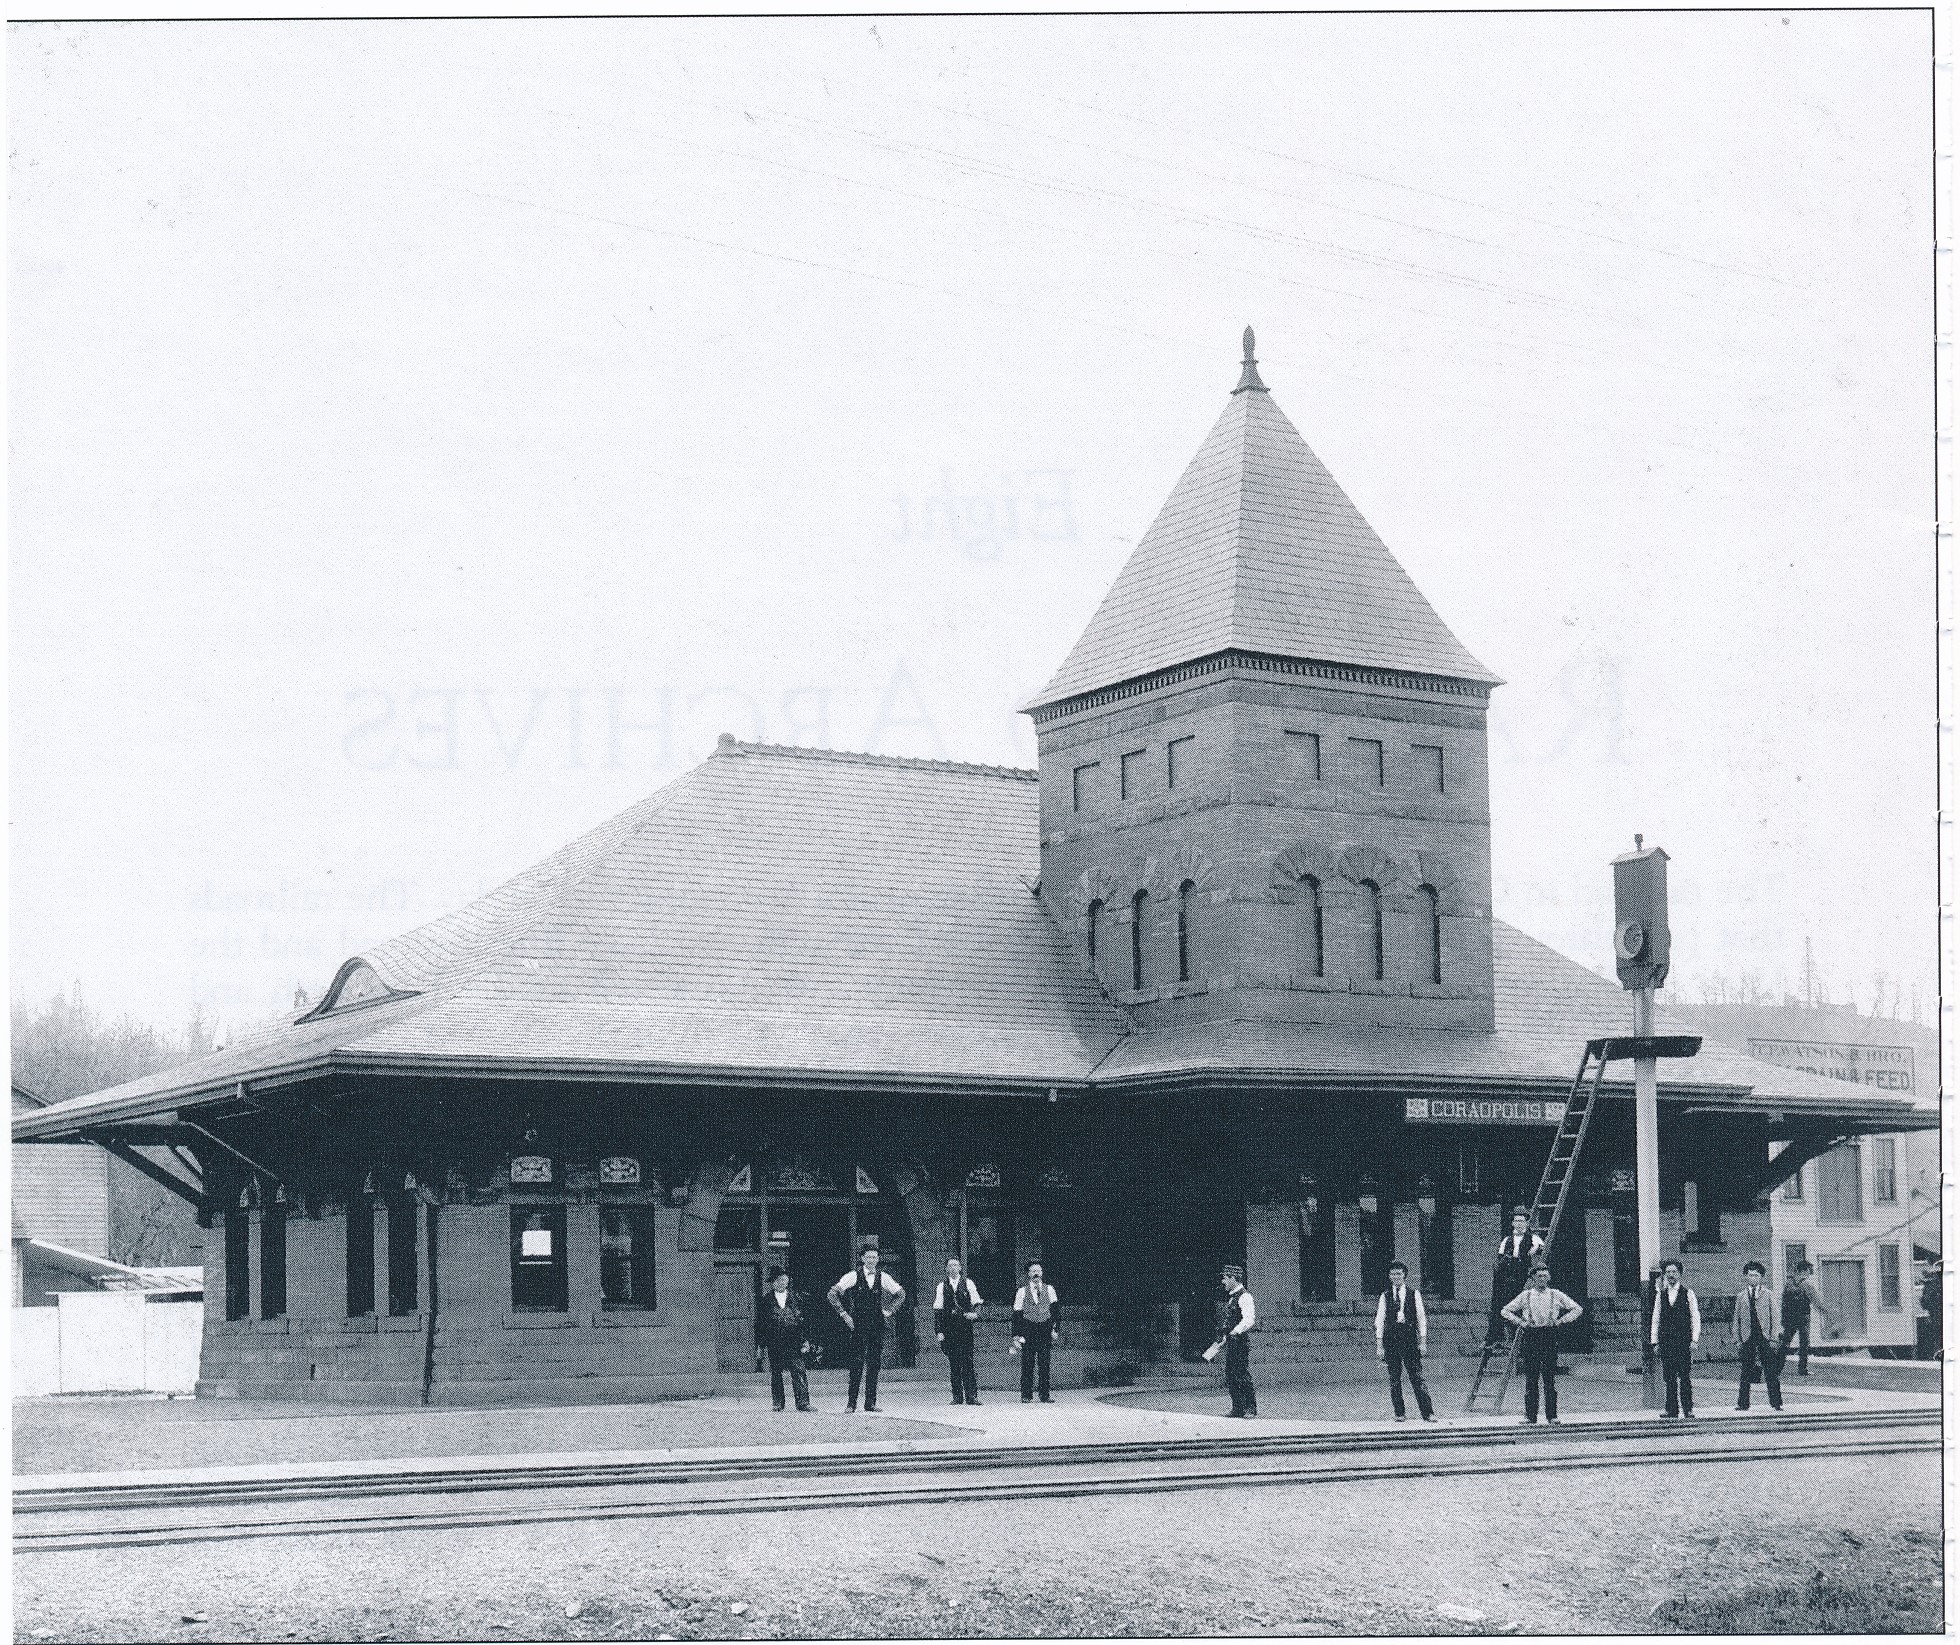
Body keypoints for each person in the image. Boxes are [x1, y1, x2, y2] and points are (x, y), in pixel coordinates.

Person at [1501, 1262, 1583, 1425]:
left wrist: (1561, 1321)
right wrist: (1522, 1323)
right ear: (1532, 1278)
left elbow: (1577, 1309)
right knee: (1531, 1378)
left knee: (1549, 1378)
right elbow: (1505, 1311)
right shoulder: (1526, 1295)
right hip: (1531, 1336)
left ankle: (1552, 1415)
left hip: (1549, 1335)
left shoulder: (1556, 1294)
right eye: (1539, 1276)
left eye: (1545, 1276)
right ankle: (1530, 1416)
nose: (1543, 1279)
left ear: (1549, 1277)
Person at [827, 1244, 905, 1413]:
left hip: (877, 1324)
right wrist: (844, 1315)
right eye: (868, 1257)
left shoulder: (883, 1277)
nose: (871, 1260)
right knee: (856, 1363)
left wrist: (889, 1310)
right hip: (858, 1324)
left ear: (878, 1259)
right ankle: (851, 1403)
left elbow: (901, 1294)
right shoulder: (853, 1276)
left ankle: (870, 1402)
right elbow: (832, 1294)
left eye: (874, 1257)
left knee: (874, 1363)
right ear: (862, 1258)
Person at [1374, 1259, 1435, 1422]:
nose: (1396, 1276)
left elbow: (1421, 1319)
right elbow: (1379, 1321)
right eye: (1393, 1273)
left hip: (1409, 1340)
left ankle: (1428, 1413)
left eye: (1399, 1273)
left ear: (1404, 1275)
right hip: (1391, 1341)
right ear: (1389, 1276)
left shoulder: (1414, 1294)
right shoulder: (1385, 1296)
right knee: (1394, 1378)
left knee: (1417, 1376)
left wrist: (1422, 1342)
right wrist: (1380, 1346)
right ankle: (1399, 1413)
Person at [1648, 1258, 1700, 1419]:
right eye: (1668, 1272)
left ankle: (1688, 1409)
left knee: (1684, 1376)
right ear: (1665, 1275)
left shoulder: (1688, 1293)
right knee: (1669, 1377)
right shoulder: (1661, 1295)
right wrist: (1655, 1341)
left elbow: (1695, 1317)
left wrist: (1695, 1339)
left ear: (1680, 1274)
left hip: (1683, 1342)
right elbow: (1656, 1318)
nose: (1671, 1275)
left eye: (1674, 1272)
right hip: (1666, 1342)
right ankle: (1671, 1409)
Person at [755, 1267, 812, 1413]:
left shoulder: (796, 1298)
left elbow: (803, 1320)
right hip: (774, 1341)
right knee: (776, 1372)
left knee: (799, 1371)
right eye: (778, 1280)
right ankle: (778, 1402)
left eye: (784, 1279)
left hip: (794, 1340)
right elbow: (760, 1324)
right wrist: (760, 1346)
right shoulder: (766, 1300)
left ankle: (803, 1403)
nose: (781, 1283)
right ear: (772, 1282)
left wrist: (805, 1340)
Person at [1487, 1208, 1546, 1346]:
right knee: (1499, 1304)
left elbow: (1542, 1251)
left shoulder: (1533, 1238)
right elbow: (1499, 1259)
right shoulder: (1507, 1240)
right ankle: (1497, 1336)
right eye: (1516, 1221)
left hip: (1522, 1277)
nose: (1519, 1223)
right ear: (1512, 1223)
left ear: (1526, 1223)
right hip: (1507, 1277)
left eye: (1522, 1221)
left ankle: (1523, 1340)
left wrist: (1535, 1249)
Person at [932, 1256, 983, 1406]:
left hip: (965, 1328)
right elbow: (938, 1311)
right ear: (946, 1269)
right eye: (950, 1266)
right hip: (949, 1329)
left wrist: (975, 1314)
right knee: (954, 1362)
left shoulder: (968, 1283)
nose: (953, 1268)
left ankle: (972, 1396)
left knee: (968, 1361)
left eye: (956, 1265)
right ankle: (957, 1397)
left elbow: (977, 1303)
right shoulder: (941, 1286)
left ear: (960, 1268)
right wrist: (939, 1331)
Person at [1734, 1259, 1783, 1412]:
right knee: (1745, 1370)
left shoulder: (1768, 1295)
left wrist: (1774, 1338)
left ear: (1761, 1277)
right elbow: (1736, 1320)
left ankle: (1776, 1402)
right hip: (1748, 1337)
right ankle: (1743, 1403)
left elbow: (1775, 1317)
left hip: (1764, 1337)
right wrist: (1737, 1340)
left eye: (1756, 1275)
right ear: (1745, 1277)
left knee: (1770, 1370)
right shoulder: (1741, 1296)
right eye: (1750, 1275)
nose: (1752, 1278)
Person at [1212, 1264, 1258, 1418]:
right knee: (1231, 1374)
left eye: (1225, 1278)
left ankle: (1250, 1408)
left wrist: (1235, 1331)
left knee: (1241, 1373)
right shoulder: (1232, 1297)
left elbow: (1249, 1319)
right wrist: (1224, 1336)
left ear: (1233, 1278)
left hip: (1240, 1341)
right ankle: (1237, 1408)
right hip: (1232, 1341)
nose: (1223, 1281)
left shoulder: (1245, 1296)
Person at [1011, 1261, 1061, 1403]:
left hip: (1045, 1329)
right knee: (1027, 1362)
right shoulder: (1022, 1291)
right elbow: (1017, 1315)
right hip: (1028, 1330)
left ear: (1042, 1273)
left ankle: (1044, 1395)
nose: (1036, 1273)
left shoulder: (1049, 1289)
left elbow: (1056, 1311)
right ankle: (1026, 1395)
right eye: (1033, 1271)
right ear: (1028, 1274)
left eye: (1038, 1270)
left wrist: (1056, 1329)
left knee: (1044, 1363)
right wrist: (1016, 1335)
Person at [1780, 1260, 1830, 1375]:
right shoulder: (1807, 1285)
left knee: (1785, 1343)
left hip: (1790, 1317)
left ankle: (1777, 1367)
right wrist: (1826, 1313)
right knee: (1804, 1344)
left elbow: (1784, 1303)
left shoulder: (1788, 1283)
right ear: (1805, 1270)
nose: (1809, 1273)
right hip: (1803, 1318)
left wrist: (1783, 1319)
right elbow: (1817, 1303)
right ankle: (1802, 1369)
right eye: (1809, 1270)